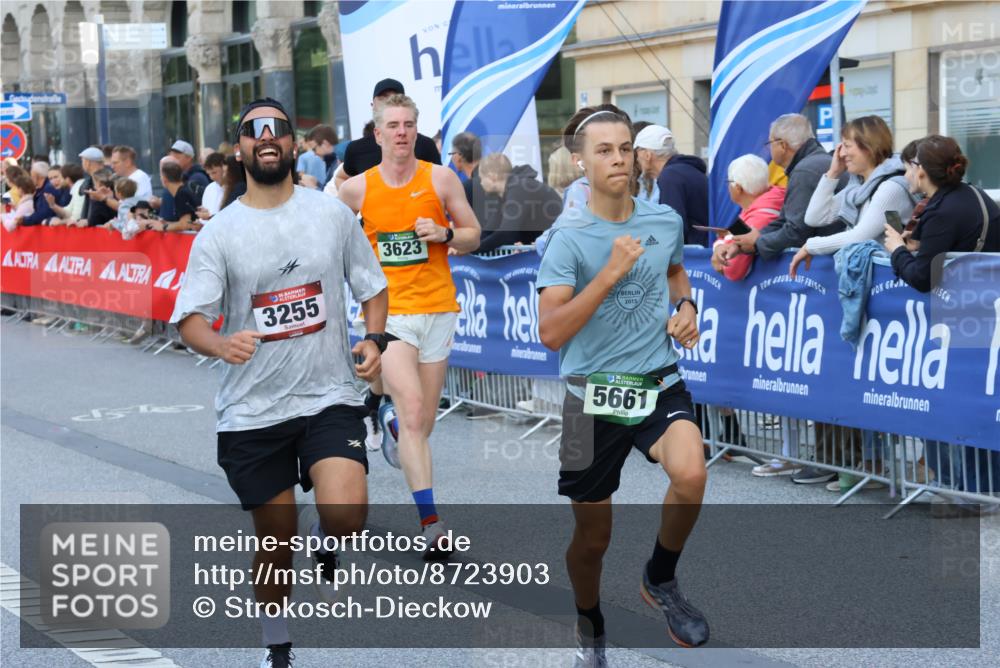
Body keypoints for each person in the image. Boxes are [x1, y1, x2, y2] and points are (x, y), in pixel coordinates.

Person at [171, 97, 389, 668]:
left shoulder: (331, 214)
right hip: (253, 409)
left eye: (278, 129)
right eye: (253, 131)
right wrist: (221, 343)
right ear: (238, 148)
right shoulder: (220, 232)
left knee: (345, 516)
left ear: (292, 143)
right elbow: (190, 319)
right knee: (275, 542)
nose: (266, 138)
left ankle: (326, 537)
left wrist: (374, 340)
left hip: (328, 396)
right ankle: (277, 644)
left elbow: (372, 286)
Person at [536, 105, 710, 664]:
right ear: (580, 162)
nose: (618, 159)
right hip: (589, 397)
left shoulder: (662, 220)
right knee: (593, 539)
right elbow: (550, 332)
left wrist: (685, 305)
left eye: (625, 148)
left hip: (657, 379)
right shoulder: (566, 239)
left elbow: (675, 269)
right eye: (604, 150)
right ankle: (590, 623)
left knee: (691, 471)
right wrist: (608, 272)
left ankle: (660, 578)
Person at [338, 93, 480, 558]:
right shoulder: (355, 190)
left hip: (439, 310)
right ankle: (432, 526)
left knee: (422, 425)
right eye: (393, 125)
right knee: (416, 411)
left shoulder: (439, 178)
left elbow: (474, 233)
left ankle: (385, 413)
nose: (402, 132)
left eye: (409, 124)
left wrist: (445, 235)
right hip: (390, 314)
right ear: (377, 134)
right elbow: (331, 244)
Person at [789, 115, 916, 277]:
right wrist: (833, 173)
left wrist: (810, 246)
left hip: (893, 283)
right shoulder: (858, 188)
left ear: (869, 147)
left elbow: (859, 236)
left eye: (847, 146)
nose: (841, 153)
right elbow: (814, 217)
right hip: (878, 280)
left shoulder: (891, 187)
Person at [720, 113, 842, 265]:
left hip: (826, 264)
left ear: (782, 145)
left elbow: (797, 231)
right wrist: (757, 236)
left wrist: (758, 242)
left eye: (769, 143)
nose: (769, 149)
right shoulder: (815, 162)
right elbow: (786, 220)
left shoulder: (804, 170)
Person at [885, 135, 999, 292]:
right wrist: (921, 243)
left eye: (909, 168)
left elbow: (922, 279)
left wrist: (897, 249)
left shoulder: (941, 212)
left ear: (921, 171)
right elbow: (964, 238)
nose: (905, 175)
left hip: (969, 300)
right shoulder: (972, 191)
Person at [336, 79, 441, 189]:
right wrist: (355, 204)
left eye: (395, 98)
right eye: (383, 98)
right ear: (373, 105)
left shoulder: (425, 145)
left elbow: (440, 182)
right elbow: (341, 177)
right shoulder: (356, 149)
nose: (389, 103)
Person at [711, 154, 786, 281]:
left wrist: (720, 246)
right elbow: (727, 238)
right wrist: (719, 245)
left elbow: (732, 269)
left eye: (728, 182)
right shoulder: (762, 205)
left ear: (738, 188)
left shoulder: (761, 214)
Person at [633, 124, 710, 246]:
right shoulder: (685, 170)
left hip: (694, 257)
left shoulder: (670, 177)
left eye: (637, 152)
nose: (636, 159)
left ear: (647, 155)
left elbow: (673, 228)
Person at [476, 152, 563, 253]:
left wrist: (474, 249)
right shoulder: (508, 191)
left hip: (558, 250)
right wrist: (467, 246)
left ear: (493, 176)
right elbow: (489, 230)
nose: (481, 183)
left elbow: (507, 233)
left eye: (481, 178)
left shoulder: (519, 188)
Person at [155, 161, 199, 232]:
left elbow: (185, 224)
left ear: (164, 179)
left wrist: (163, 227)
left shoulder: (181, 195)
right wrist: (167, 224)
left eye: (161, 176)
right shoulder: (184, 190)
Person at [16, 162, 60, 226]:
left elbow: (44, 213)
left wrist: (25, 220)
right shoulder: (41, 190)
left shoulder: (48, 189)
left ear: (36, 175)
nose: (31, 178)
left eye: (31, 175)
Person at [169, 139, 211, 204]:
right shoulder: (182, 177)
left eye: (177, 157)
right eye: (171, 157)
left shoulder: (197, 177)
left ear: (189, 158)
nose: (173, 161)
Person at [198, 152, 227, 218]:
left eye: (214, 172)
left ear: (224, 168)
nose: (212, 177)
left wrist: (209, 217)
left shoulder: (236, 188)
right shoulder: (209, 188)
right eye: (209, 174)